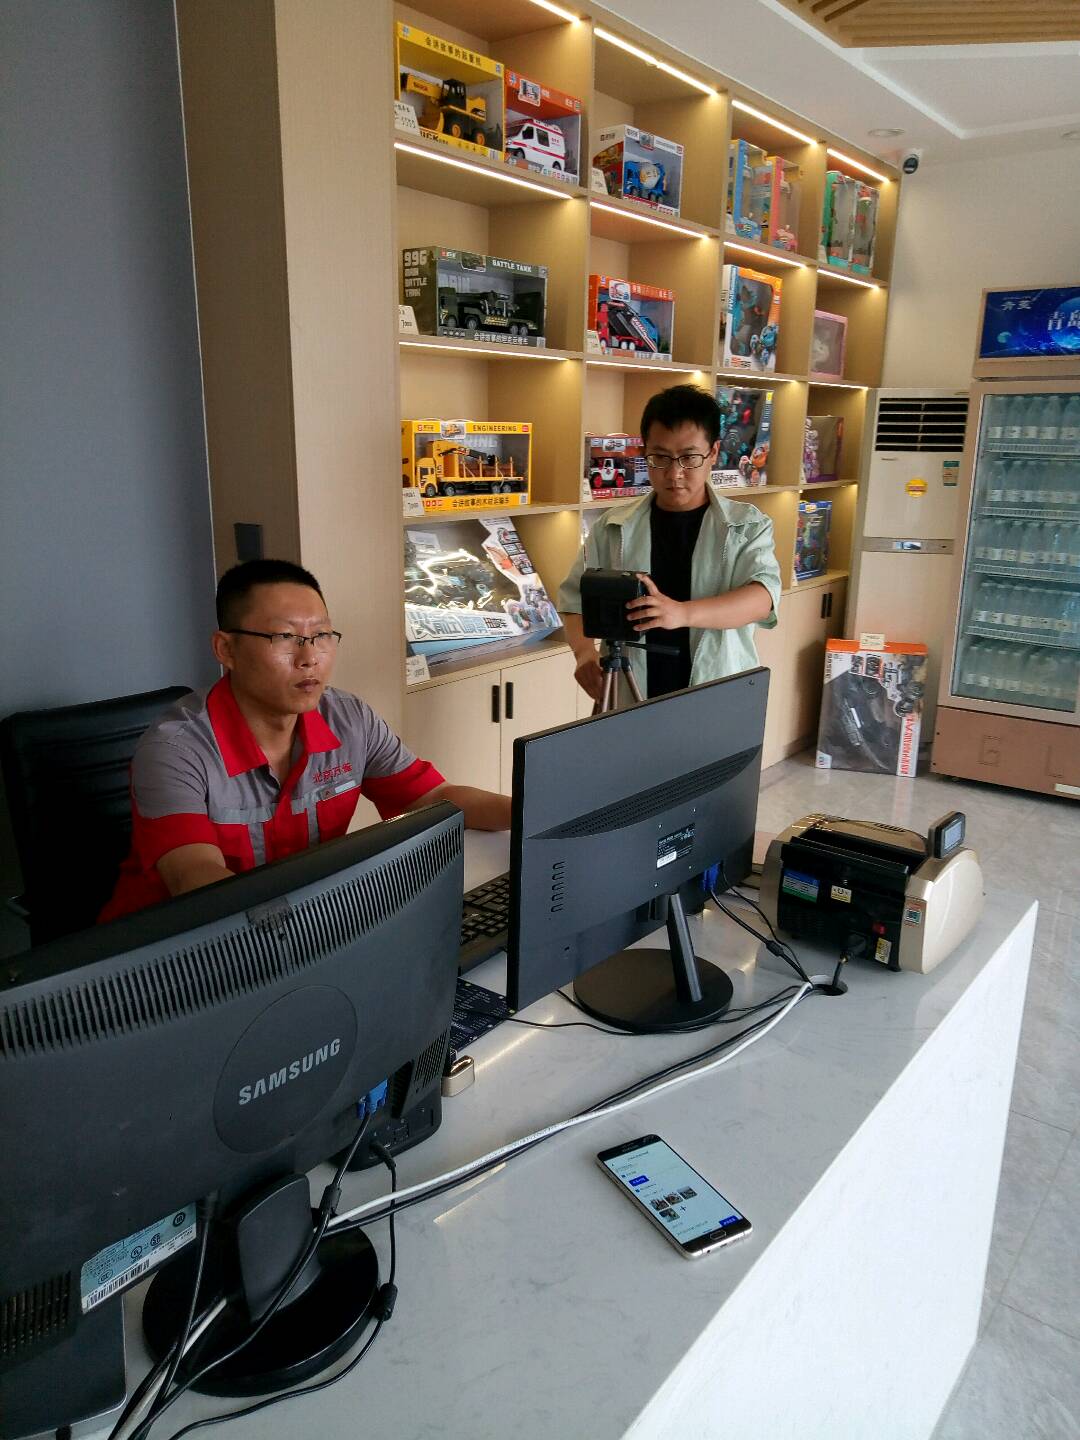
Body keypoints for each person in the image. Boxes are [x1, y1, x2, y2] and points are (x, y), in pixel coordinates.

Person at [100, 559, 511, 921]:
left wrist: (527, 811)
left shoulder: (349, 719)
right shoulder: (175, 751)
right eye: (284, 637)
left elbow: (432, 797)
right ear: (226, 649)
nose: (309, 657)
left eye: (322, 635)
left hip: (302, 926)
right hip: (171, 953)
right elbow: (195, 877)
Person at [559, 384, 781, 702]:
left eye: (689, 458)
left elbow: (763, 598)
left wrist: (682, 613)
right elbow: (574, 599)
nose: (674, 473)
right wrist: (583, 653)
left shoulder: (747, 526)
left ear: (713, 453)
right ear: (644, 453)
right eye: (660, 458)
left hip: (717, 690)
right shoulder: (612, 527)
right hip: (631, 692)